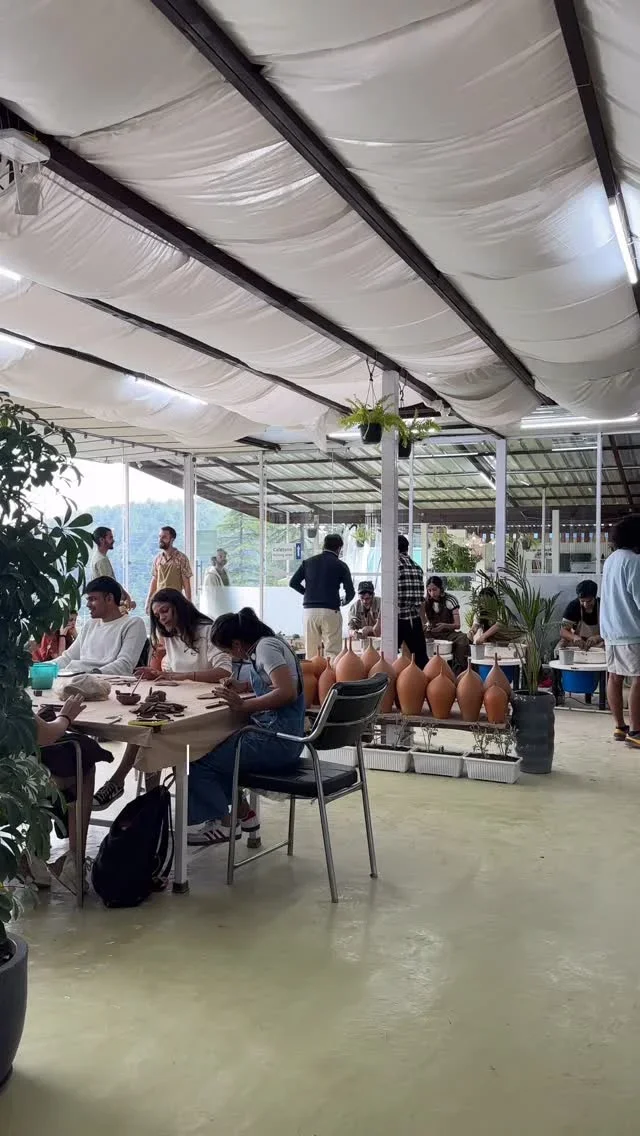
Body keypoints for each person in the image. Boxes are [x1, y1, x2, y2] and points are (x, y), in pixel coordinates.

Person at [92, 589, 232, 811]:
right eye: (157, 615)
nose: (162, 618)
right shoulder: (170, 636)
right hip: (183, 704)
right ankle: (149, 803)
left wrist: (180, 676)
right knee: (149, 727)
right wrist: (156, 672)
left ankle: (129, 790)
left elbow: (224, 671)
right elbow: (171, 673)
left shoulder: (207, 630)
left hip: (209, 710)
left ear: (180, 607)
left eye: (165, 611)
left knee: (151, 731)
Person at [187, 608, 305, 845]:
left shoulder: (266, 648)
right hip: (283, 736)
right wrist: (243, 687)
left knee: (197, 757)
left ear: (237, 644)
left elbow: (287, 692)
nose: (230, 656)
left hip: (278, 739)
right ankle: (244, 814)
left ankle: (225, 824)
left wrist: (243, 705)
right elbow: (274, 684)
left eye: (227, 651)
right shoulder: (268, 644)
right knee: (217, 746)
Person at [31, 694, 114, 894]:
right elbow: (46, 734)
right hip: (15, 781)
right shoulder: (7, 690)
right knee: (82, 763)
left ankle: (34, 858)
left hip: (12, 768)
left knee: (57, 756)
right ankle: (74, 862)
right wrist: (66, 717)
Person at [600, 514, 640, 747]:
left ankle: (620, 726)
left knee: (614, 677)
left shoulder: (611, 560)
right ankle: (636, 732)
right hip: (632, 630)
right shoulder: (634, 561)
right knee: (638, 680)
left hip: (611, 630)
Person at [56, 577, 147, 676]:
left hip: (102, 680)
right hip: (74, 677)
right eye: (88, 600)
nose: (88, 605)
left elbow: (125, 665)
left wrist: (92, 675)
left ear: (109, 598)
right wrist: (43, 667)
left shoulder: (133, 624)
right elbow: (67, 658)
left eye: (93, 599)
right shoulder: (90, 625)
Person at [289, 534, 355, 658]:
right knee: (332, 651)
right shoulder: (341, 565)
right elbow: (350, 592)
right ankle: (331, 670)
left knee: (312, 652)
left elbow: (293, 583)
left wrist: (307, 593)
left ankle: (313, 671)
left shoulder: (308, 562)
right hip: (331, 611)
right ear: (339, 548)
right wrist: (343, 601)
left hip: (310, 611)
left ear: (324, 545)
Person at [424, 575, 469, 672]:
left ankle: (459, 668)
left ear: (441, 588)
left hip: (448, 633)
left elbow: (457, 625)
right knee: (417, 635)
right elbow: (425, 621)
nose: (432, 593)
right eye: (429, 590)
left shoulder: (450, 600)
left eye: (434, 589)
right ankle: (423, 666)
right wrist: (428, 625)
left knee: (463, 638)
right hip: (432, 633)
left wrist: (444, 626)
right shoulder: (426, 601)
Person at [146, 525, 192, 612]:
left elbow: (186, 582)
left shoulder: (181, 558)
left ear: (172, 539)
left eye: (164, 537)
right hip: (159, 602)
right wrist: (148, 601)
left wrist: (189, 604)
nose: (160, 540)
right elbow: (155, 580)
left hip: (175, 602)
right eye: (160, 537)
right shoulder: (158, 559)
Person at [397, 534, 427, 668]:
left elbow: (389, 597)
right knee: (420, 658)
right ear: (407, 548)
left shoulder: (393, 566)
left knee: (388, 658)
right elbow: (421, 599)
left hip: (397, 618)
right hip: (414, 619)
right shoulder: (417, 568)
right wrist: (423, 620)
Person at [89, 526, 135, 609]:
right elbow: (109, 586)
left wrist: (126, 596)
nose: (113, 540)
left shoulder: (98, 557)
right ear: (102, 540)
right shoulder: (101, 560)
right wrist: (124, 602)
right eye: (110, 538)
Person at [559, 580, 603, 650]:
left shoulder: (603, 605)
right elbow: (563, 631)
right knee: (563, 643)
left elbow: (612, 631)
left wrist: (597, 637)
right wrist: (574, 637)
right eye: (582, 601)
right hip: (579, 645)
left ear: (595, 597)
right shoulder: (573, 606)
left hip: (598, 644)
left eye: (589, 601)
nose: (585, 605)